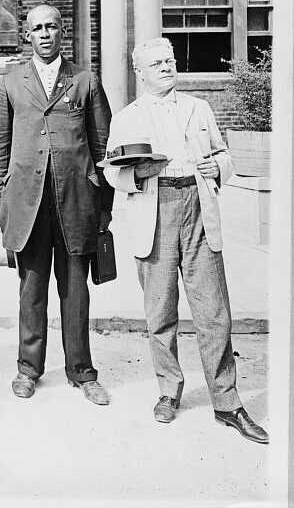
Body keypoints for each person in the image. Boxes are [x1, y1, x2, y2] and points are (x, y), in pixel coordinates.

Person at [103, 38, 268, 443]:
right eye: (156, 63)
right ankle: (168, 390)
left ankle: (227, 403)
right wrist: (138, 174)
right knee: (160, 312)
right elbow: (111, 171)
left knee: (214, 312)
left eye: (169, 60)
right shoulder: (127, 117)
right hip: (154, 211)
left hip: (197, 205)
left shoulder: (198, 108)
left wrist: (219, 166)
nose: (165, 67)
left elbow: (224, 155)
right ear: (139, 73)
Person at [0, 4, 113, 405]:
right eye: (37, 28)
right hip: (28, 201)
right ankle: (28, 368)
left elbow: (102, 145)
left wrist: (102, 206)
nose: (44, 33)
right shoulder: (9, 83)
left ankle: (82, 370)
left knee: (76, 288)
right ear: (27, 35)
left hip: (76, 199)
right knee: (32, 287)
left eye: (52, 27)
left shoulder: (85, 80)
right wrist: (2, 204)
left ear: (63, 32)